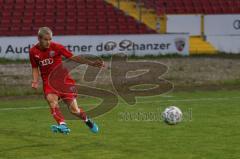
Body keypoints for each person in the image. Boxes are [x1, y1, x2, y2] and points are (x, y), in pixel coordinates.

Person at [29, 27, 104, 134]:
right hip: (49, 83)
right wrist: (35, 80)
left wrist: (91, 63)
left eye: (50, 39)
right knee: (52, 101)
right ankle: (62, 125)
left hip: (64, 82)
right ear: (39, 38)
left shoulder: (57, 47)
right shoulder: (33, 52)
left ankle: (87, 120)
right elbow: (35, 67)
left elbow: (73, 57)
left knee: (74, 110)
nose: (48, 42)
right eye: (46, 39)